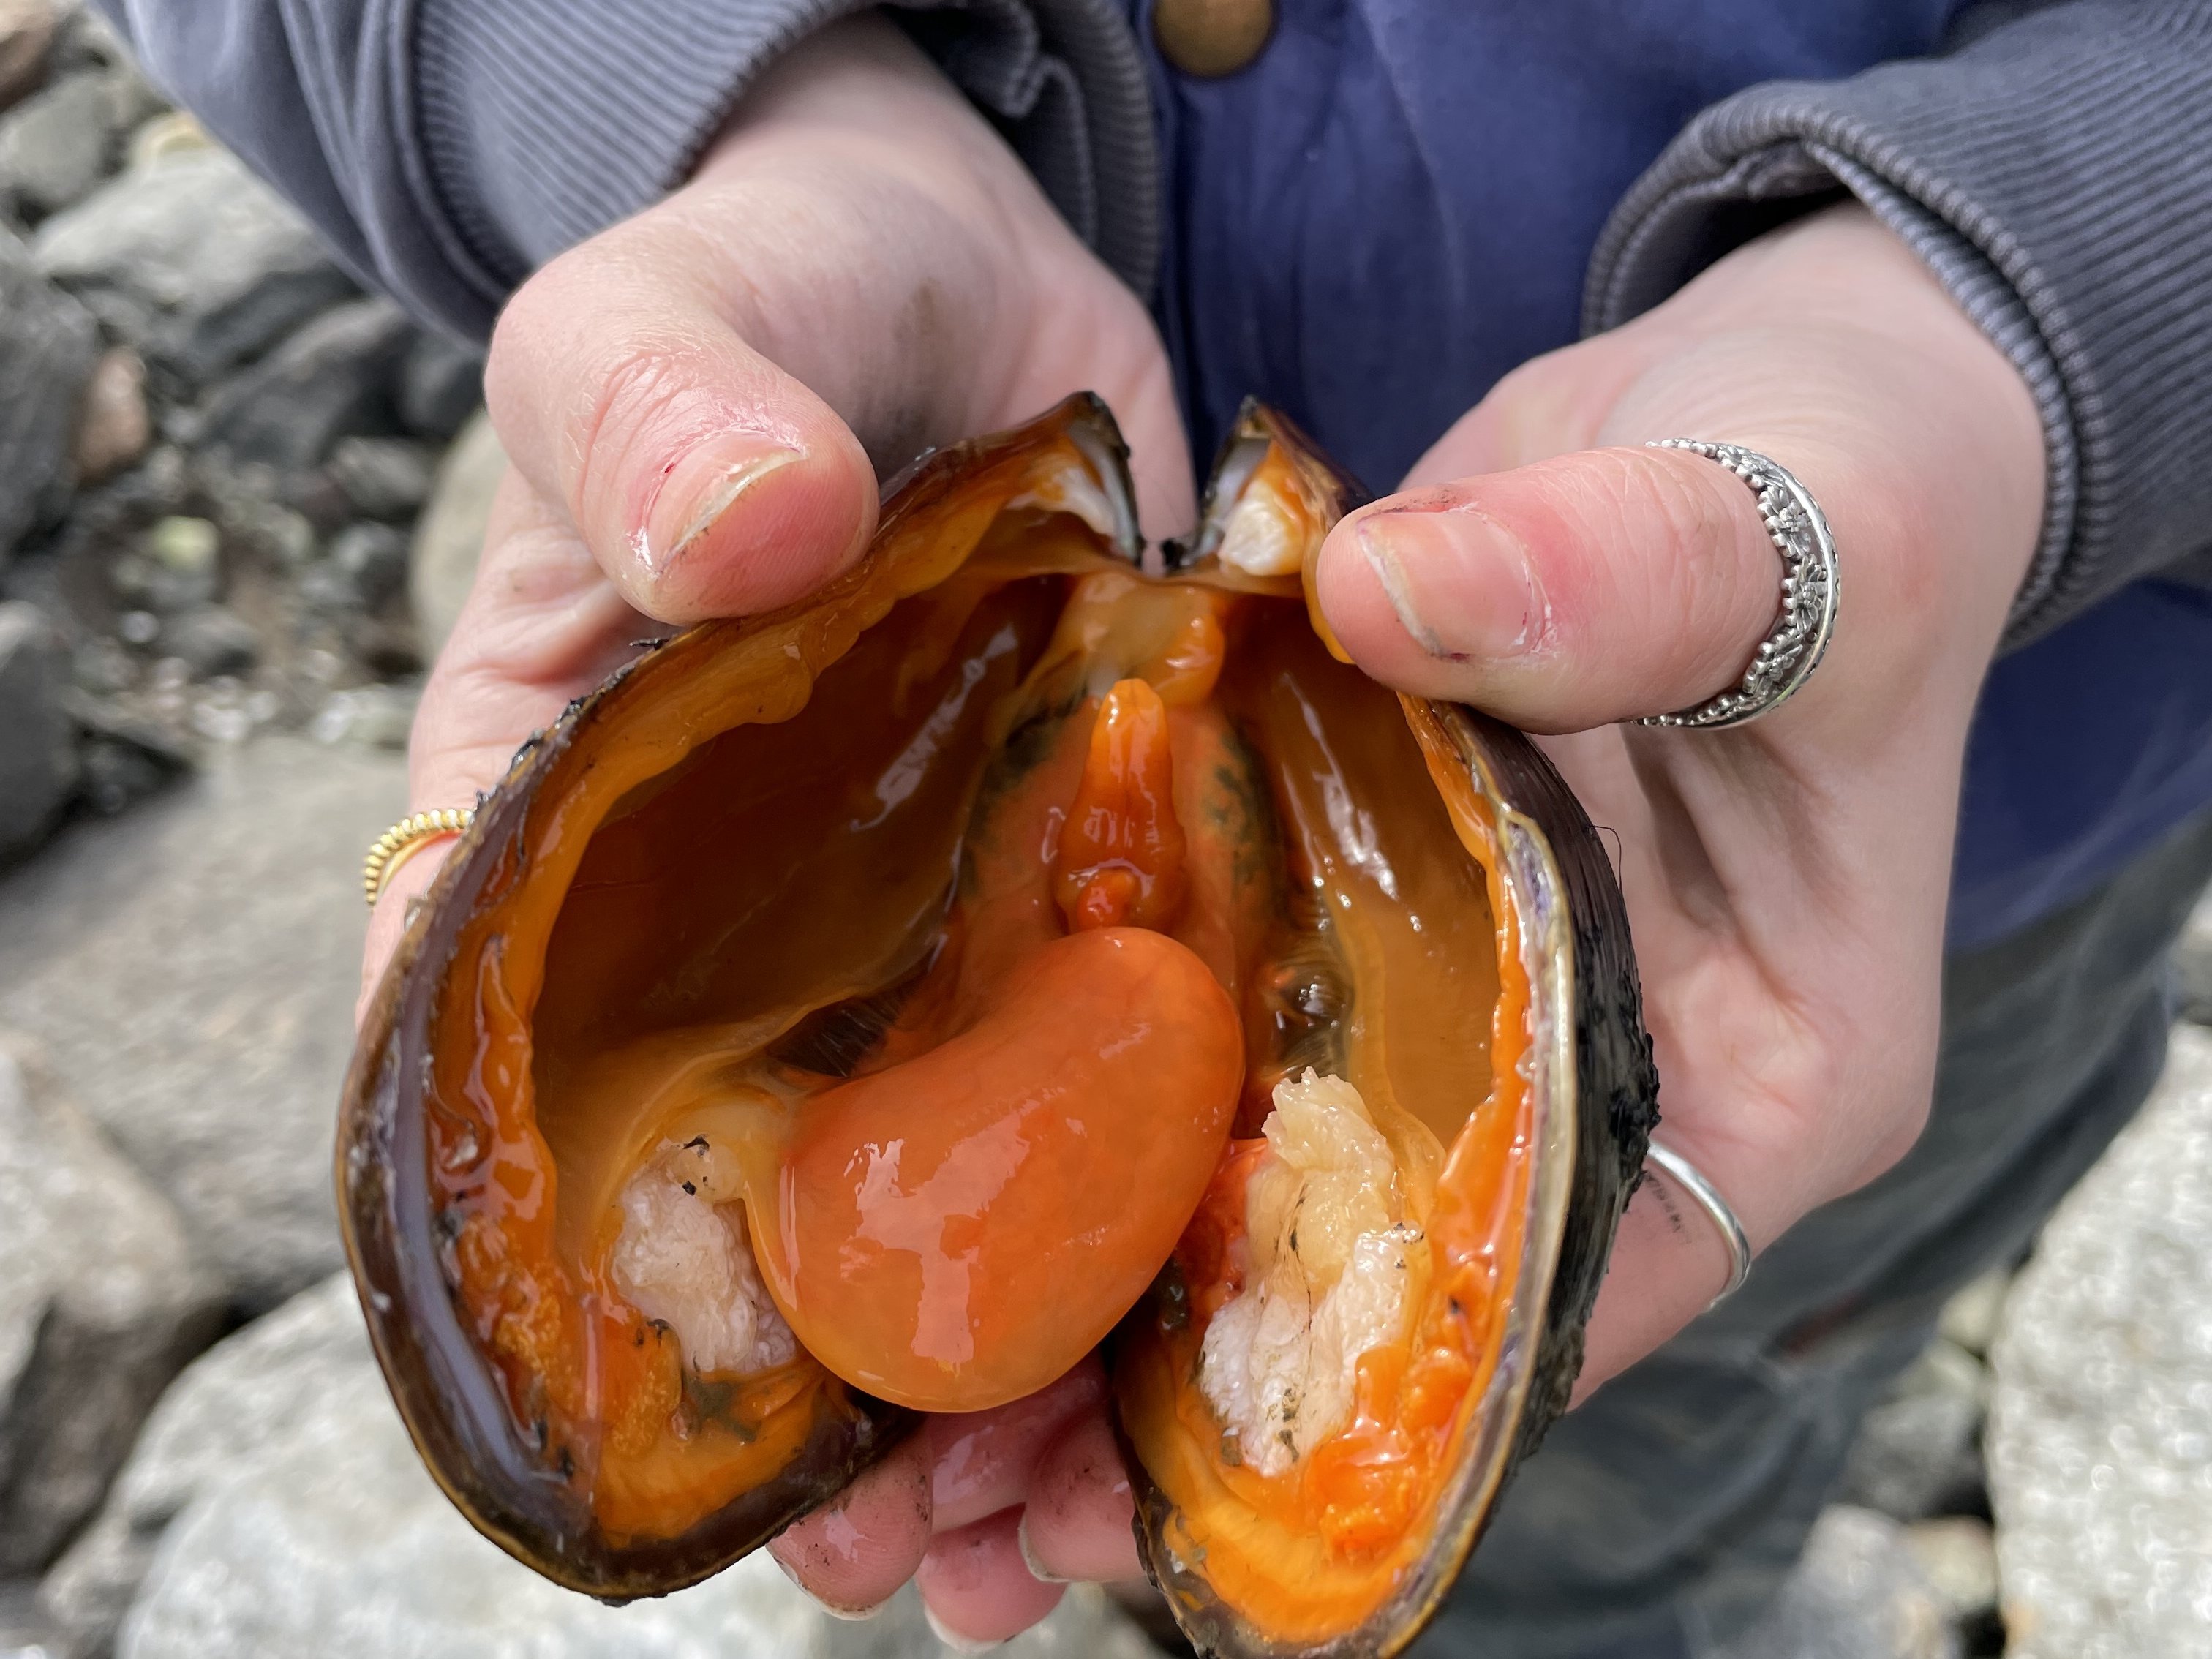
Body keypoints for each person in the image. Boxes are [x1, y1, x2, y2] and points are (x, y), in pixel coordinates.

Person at [101, 1, 2212, 1652]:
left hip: (1902, 815)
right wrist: (739, 92)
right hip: (939, 518)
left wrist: (2015, 323)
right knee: (915, 1545)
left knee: (1646, 1478)